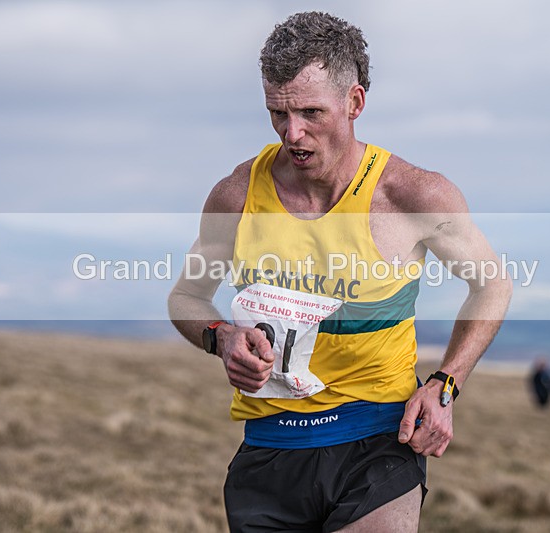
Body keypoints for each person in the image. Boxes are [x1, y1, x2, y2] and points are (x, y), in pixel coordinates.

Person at [168, 11, 512, 532]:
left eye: (311, 112)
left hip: (377, 440)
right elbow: (187, 298)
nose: (293, 133)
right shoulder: (237, 195)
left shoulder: (412, 195)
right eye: (278, 114)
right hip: (270, 448)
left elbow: (492, 284)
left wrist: (444, 385)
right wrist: (221, 337)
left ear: (355, 102)